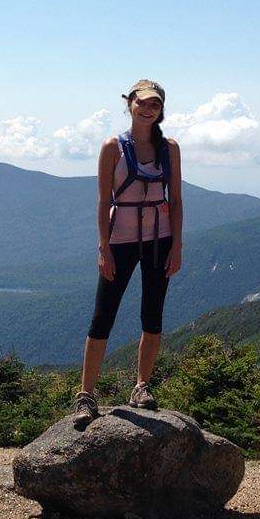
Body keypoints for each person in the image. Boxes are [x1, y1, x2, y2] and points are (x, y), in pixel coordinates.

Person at [73, 79, 184, 428]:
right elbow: (103, 200)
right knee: (102, 316)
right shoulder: (113, 147)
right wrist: (103, 247)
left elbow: (176, 199)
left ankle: (141, 387)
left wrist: (177, 245)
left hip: (159, 238)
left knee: (153, 316)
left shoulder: (170, 148)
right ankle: (87, 395)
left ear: (160, 109)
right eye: (142, 103)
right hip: (119, 238)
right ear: (130, 103)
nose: (148, 109)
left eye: (155, 104)